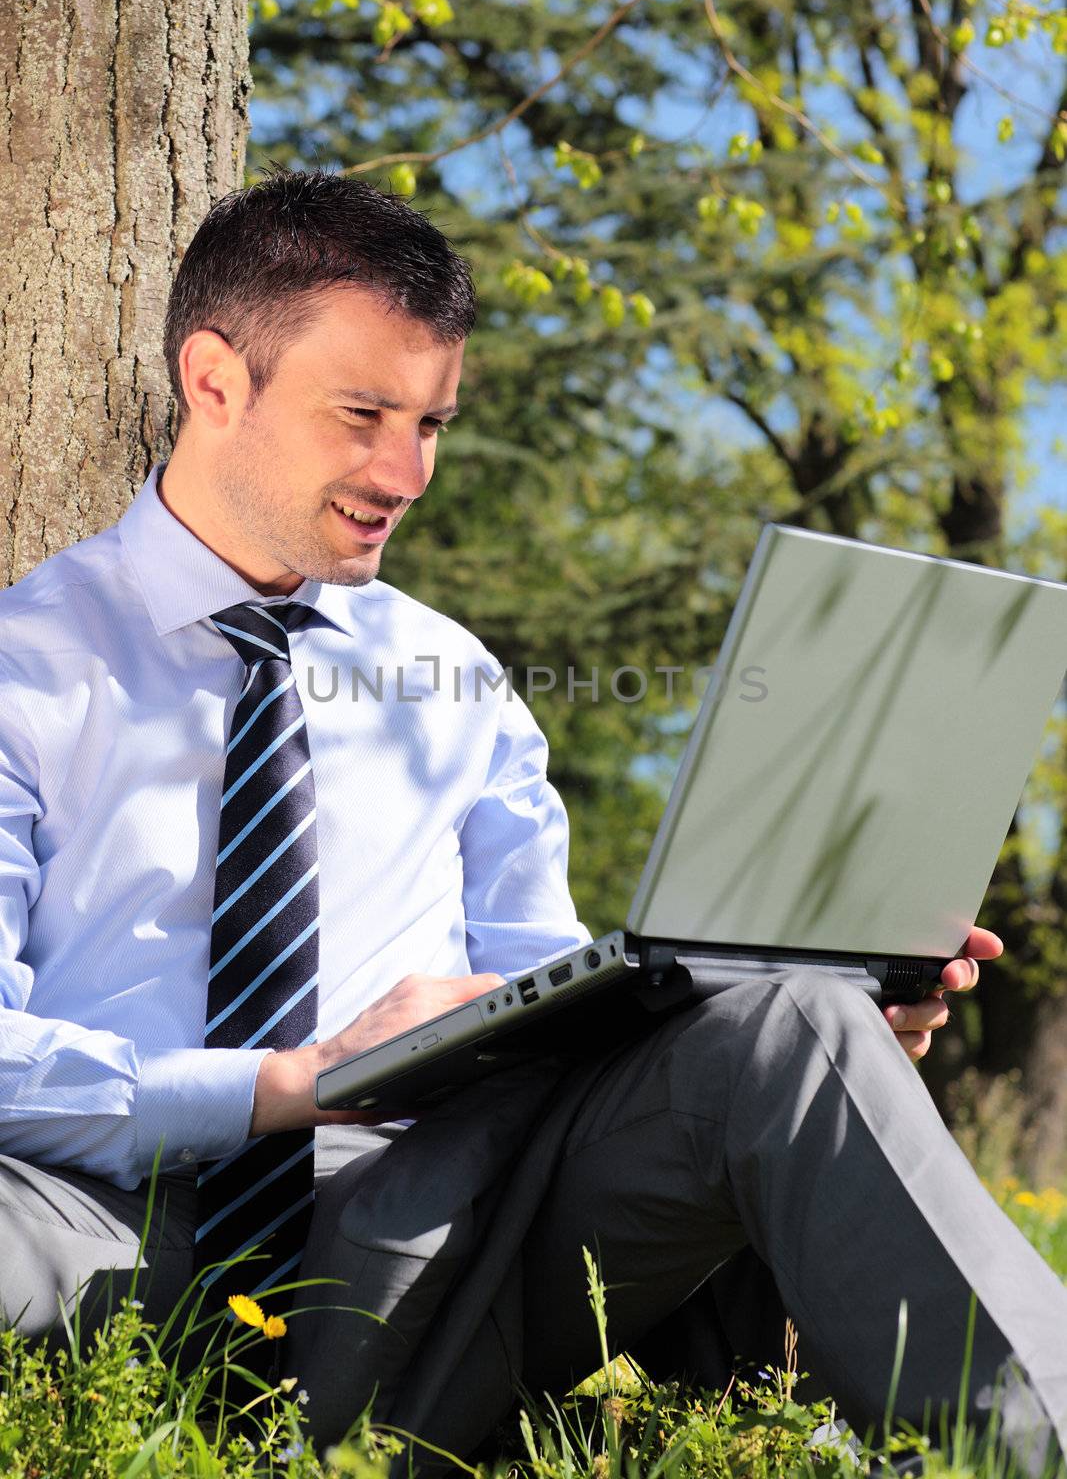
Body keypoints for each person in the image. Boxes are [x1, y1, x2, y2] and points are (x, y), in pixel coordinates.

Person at [0, 169, 1063, 1475]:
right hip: (106, 1241)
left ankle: (1037, 1450)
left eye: (432, 423)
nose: (407, 472)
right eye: (365, 416)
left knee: (788, 1019)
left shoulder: (459, 685)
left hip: (437, 1253)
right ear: (216, 381)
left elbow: (542, 1001)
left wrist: (821, 1019)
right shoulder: (25, 670)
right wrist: (295, 1085)